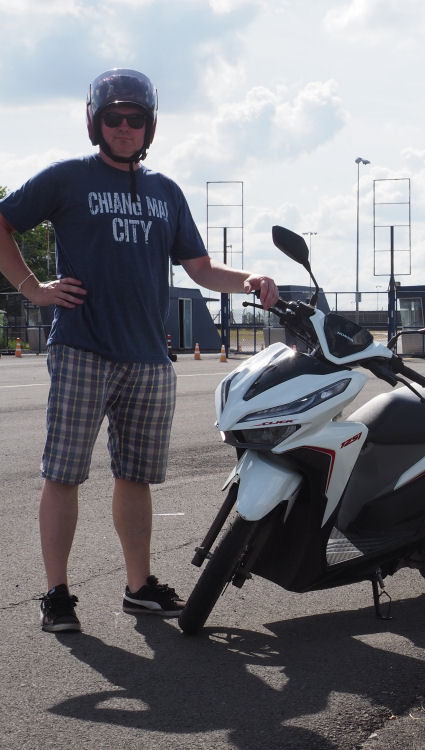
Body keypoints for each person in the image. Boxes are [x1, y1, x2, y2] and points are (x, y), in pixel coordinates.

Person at [0, 68, 280, 633]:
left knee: (136, 476)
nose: (124, 127)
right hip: (82, 347)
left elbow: (200, 268)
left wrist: (249, 278)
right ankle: (57, 594)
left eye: (135, 118)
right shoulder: (67, 177)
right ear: (95, 123)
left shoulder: (166, 191)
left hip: (150, 357)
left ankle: (138, 587)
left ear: (150, 126)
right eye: (113, 118)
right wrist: (32, 289)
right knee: (64, 474)